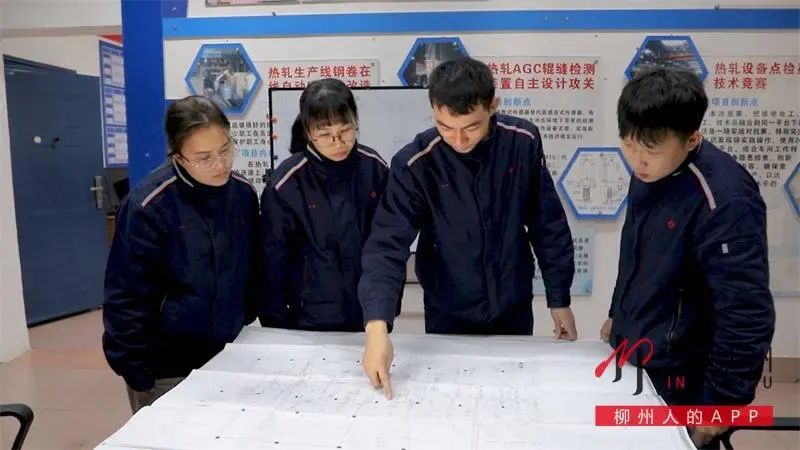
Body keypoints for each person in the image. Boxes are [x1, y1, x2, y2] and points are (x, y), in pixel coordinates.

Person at [359, 57, 578, 399]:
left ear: (493, 106)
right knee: (451, 400)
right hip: (448, 307)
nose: (458, 140)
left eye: (471, 127)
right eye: (445, 127)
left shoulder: (522, 142)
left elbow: (547, 223)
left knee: (511, 397)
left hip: (512, 304)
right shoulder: (416, 163)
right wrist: (376, 328)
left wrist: (559, 298)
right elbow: (387, 246)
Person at [601, 68, 775, 448]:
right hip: (640, 360)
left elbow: (746, 311)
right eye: (629, 145)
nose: (637, 161)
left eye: (651, 151)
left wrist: (720, 403)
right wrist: (619, 315)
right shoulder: (649, 171)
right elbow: (636, 251)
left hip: (684, 377)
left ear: (692, 138)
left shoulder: (726, 200)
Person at [103, 95, 260, 412]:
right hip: (166, 366)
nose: (220, 164)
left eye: (225, 150)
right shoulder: (148, 207)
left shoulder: (242, 194)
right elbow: (126, 297)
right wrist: (138, 372)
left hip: (229, 353)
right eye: (204, 158)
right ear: (178, 156)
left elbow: (251, 267)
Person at [259, 78, 390, 331]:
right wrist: (277, 327)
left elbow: (388, 243)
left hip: (369, 314)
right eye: (325, 135)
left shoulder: (374, 169)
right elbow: (273, 264)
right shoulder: (287, 184)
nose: (338, 143)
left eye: (346, 131)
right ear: (308, 133)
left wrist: (386, 308)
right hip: (308, 321)